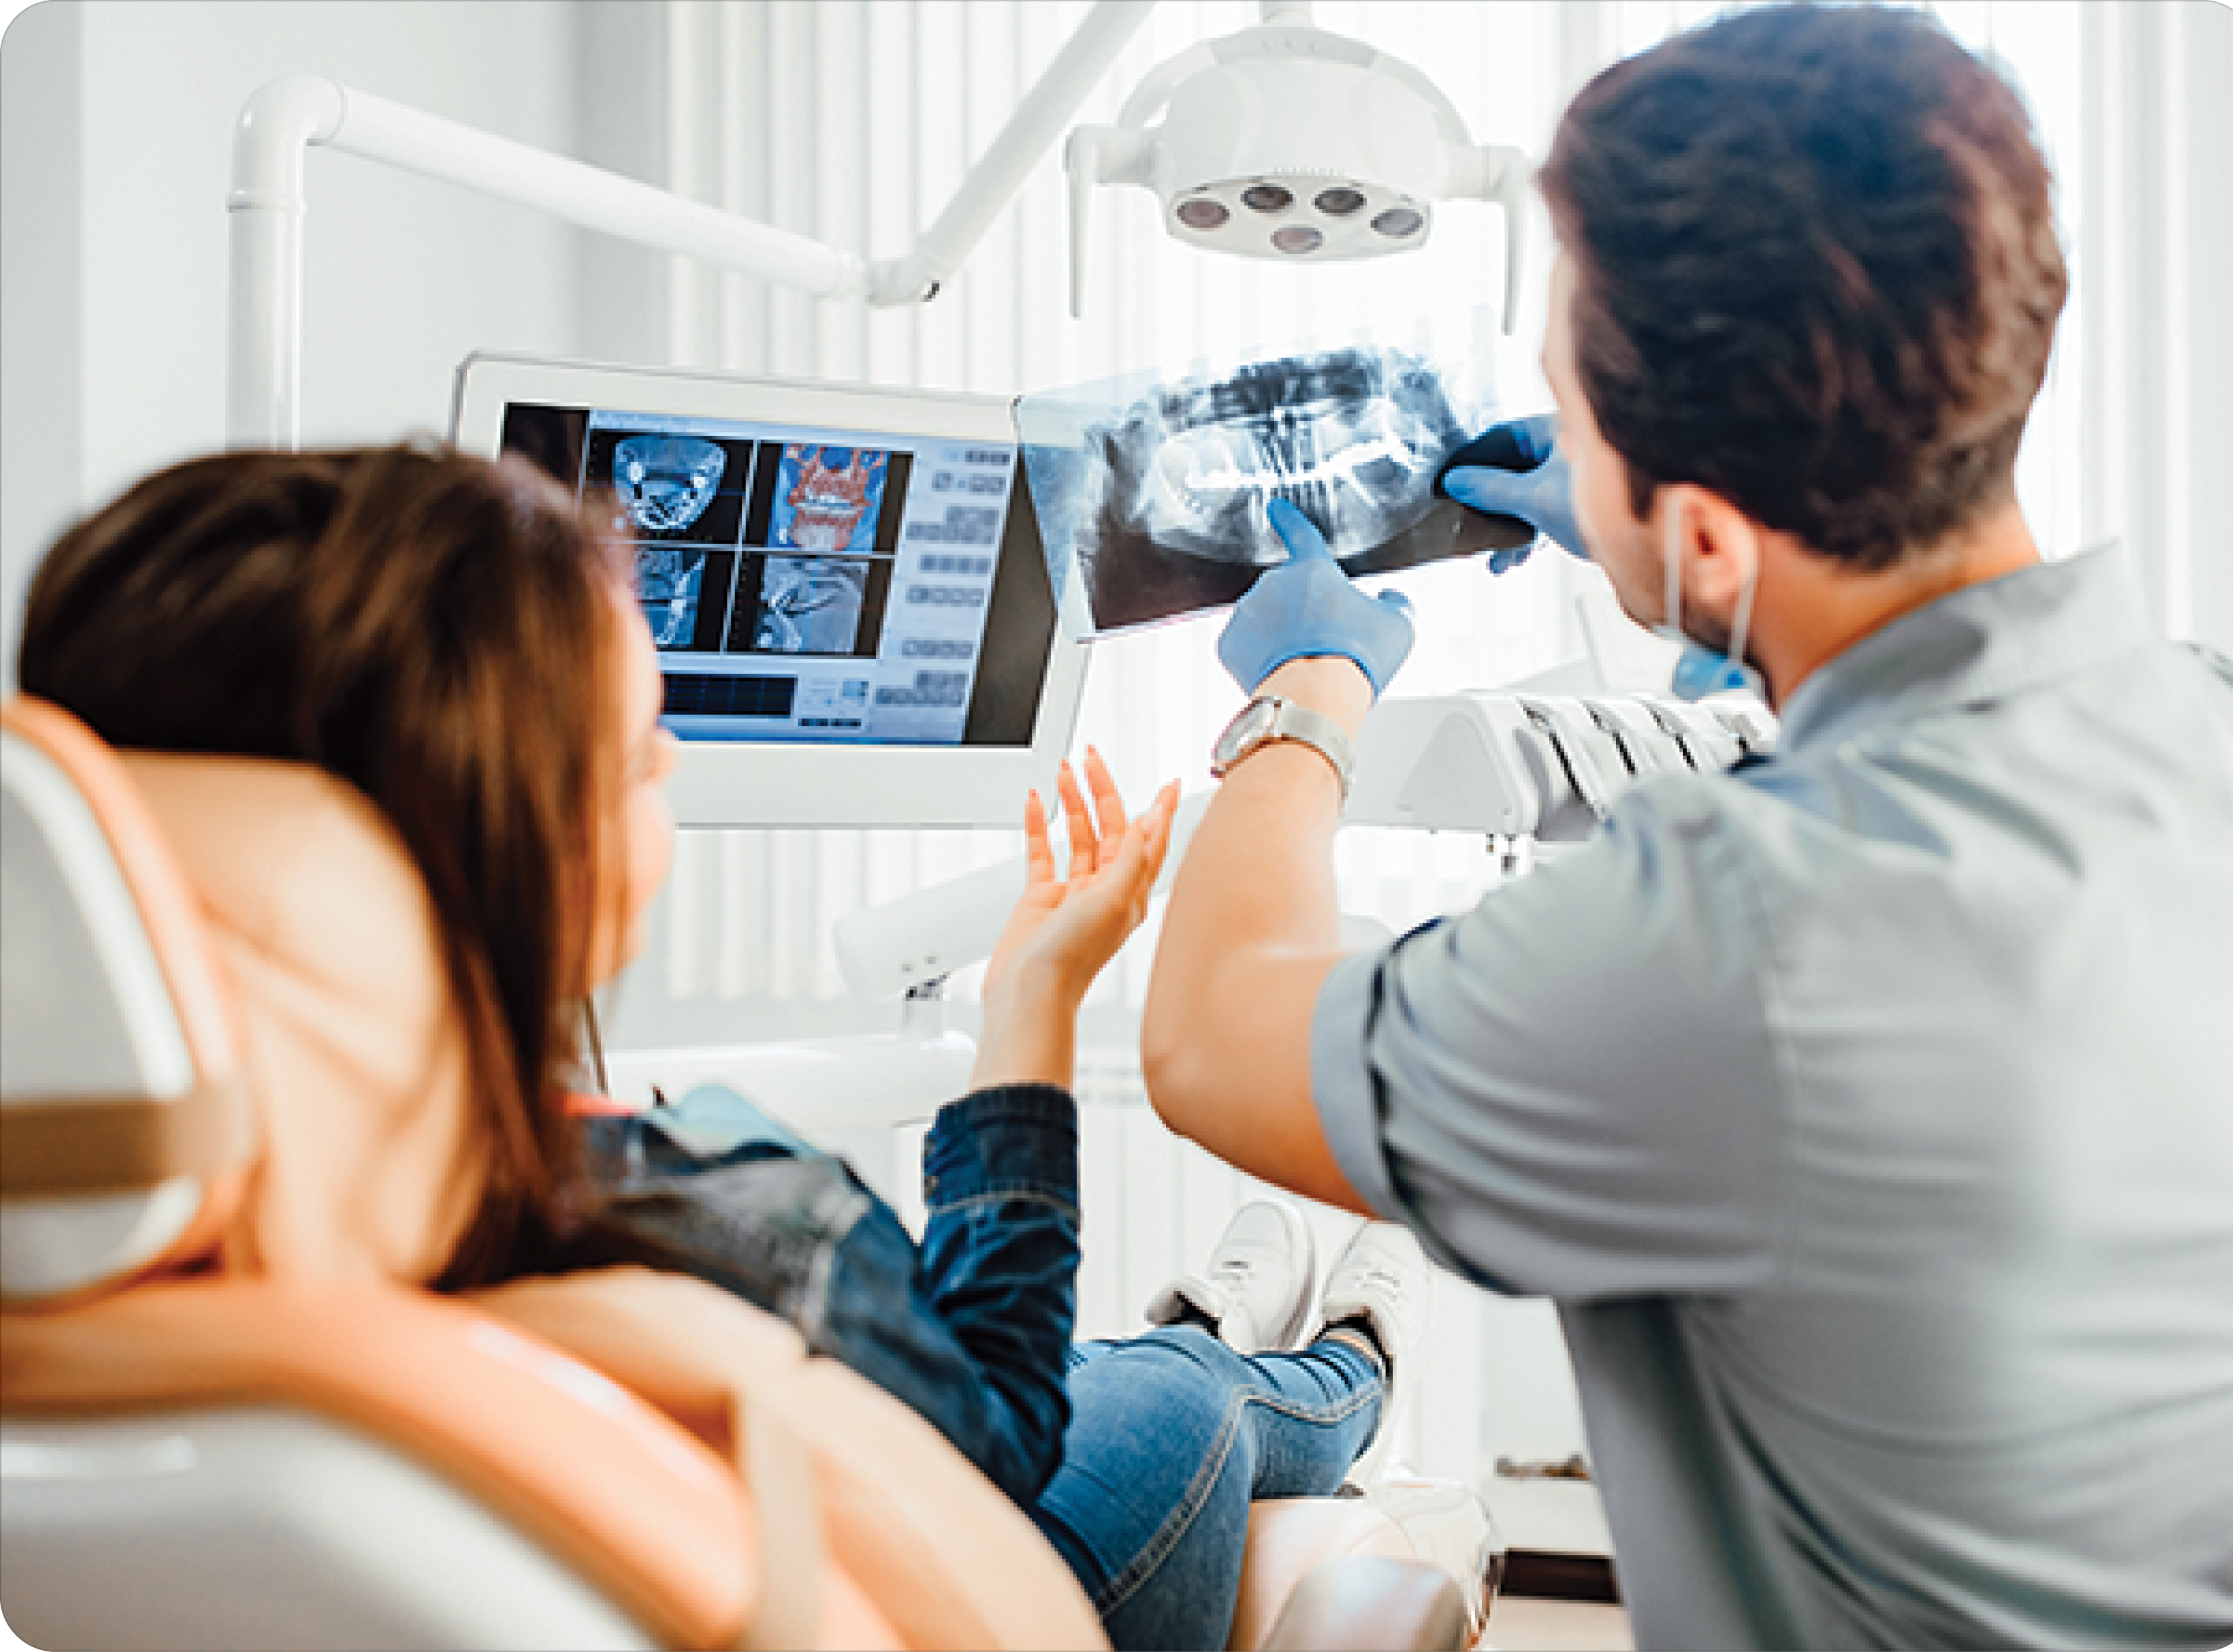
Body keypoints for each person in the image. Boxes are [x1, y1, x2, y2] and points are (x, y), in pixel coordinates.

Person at [1140, 7, 2233, 1649]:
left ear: (1715, 531)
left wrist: (1304, 696)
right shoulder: (2212, 724)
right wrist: (1662, 554)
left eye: (1577, 419)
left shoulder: (1732, 937)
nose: (1565, 450)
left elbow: (1208, 1040)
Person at [12, 441, 1437, 1652]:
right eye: (639, 751)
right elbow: (1003, 1421)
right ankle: (1347, 1364)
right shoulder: (727, 1246)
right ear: (517, 850)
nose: (674, 764)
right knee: (1173, 1393)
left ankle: (1239, 1320)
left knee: (1142, 1362)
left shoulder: (106, 1300)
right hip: (993, 1545)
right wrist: (1038, 999)